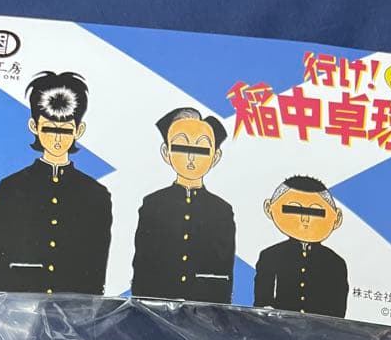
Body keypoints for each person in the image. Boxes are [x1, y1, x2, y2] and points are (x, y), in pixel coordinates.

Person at [0, 71, 112, 294]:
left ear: (79, 130)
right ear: (34, 126)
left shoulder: (96, 194)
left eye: (65, 130)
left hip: (75, 305)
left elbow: (96, 265)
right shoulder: (11, 188)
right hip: (20, 301)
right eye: (49, 128)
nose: (57, 139)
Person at [131, 107, 235, 304]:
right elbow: (143, 261)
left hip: (204, 306)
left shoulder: (222, 210)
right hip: (156, 302)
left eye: (201, 150)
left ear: (215, 157)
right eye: (180, 147)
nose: (191, 158)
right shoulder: (153, 203)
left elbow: (223, 269)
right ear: (166, 152)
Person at [254, 175, 348, 318]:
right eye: (293, 209)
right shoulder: (270, 255)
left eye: (317, 212)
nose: (305, 219)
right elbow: (262, 302)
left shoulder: (335, 262)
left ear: (337, 218)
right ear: (269, 208)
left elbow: (338, 309)